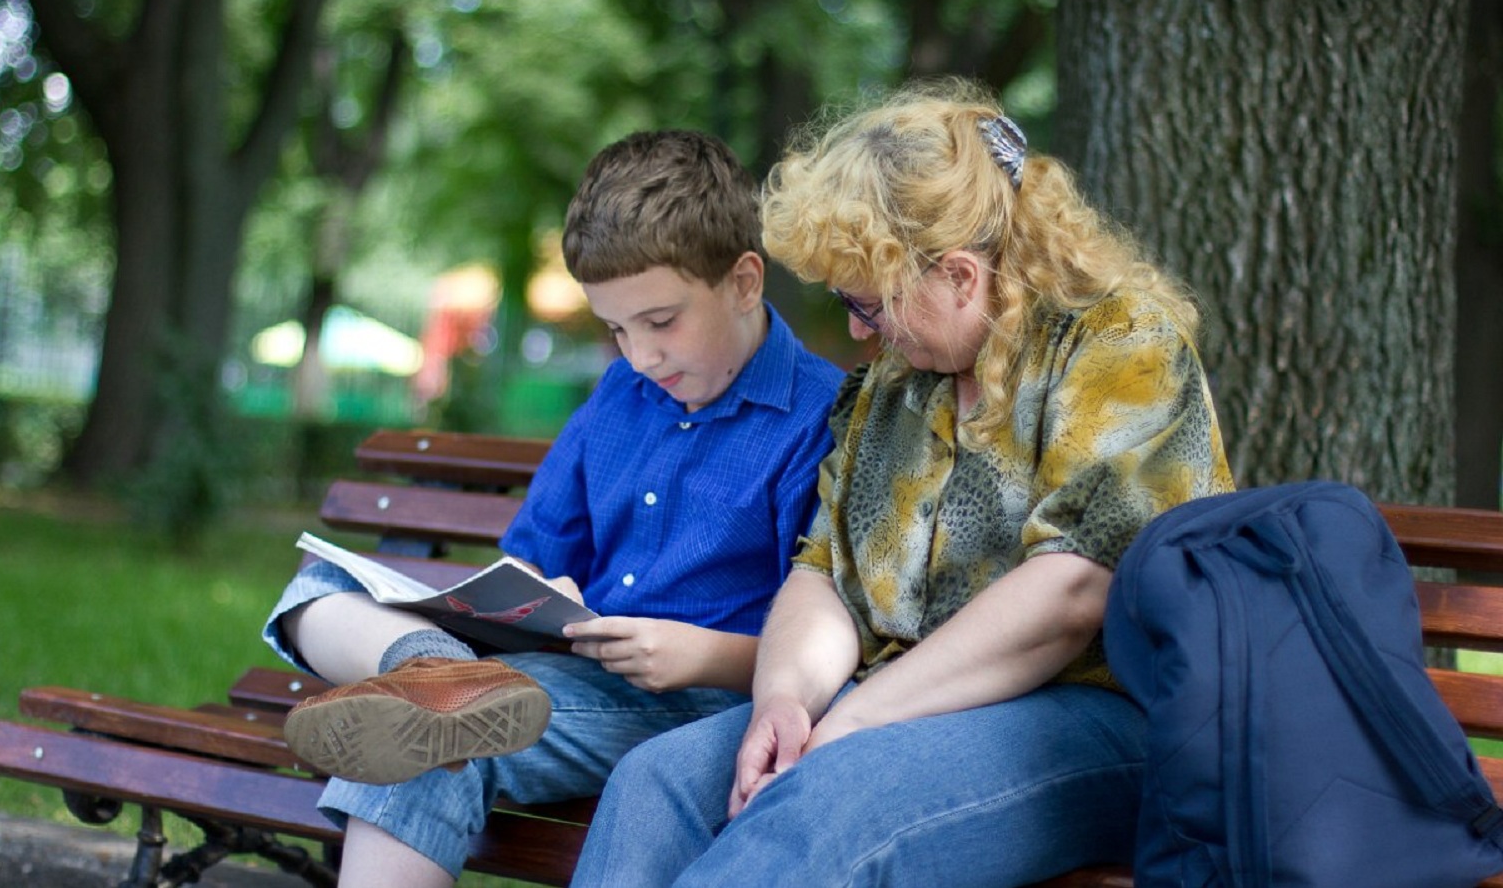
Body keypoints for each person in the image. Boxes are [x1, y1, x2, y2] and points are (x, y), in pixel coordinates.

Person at [570, 80, 1235, 888]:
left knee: (834, 803)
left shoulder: (1120, 345)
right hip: (891, 705)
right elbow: (824, 573)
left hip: (1102, 719)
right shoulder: (897, 381)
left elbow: (1068, 595)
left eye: (868, 302)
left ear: (959, 275)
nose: (856, 329)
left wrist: (856, 717)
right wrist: (784, 700)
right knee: (657, 784)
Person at [263, 129, 845, 887]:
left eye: (661, 322)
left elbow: (832, 636)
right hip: (562, 674)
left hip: (698, 706)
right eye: (616, 331)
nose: (641, 357)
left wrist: (698, 654)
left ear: (743, 281)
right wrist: (537, 597)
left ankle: (439, 693)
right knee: (316, 592)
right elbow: (536, 555)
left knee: (423, 741)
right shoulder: (620, 398)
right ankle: (434, 668)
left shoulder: (820, 418)